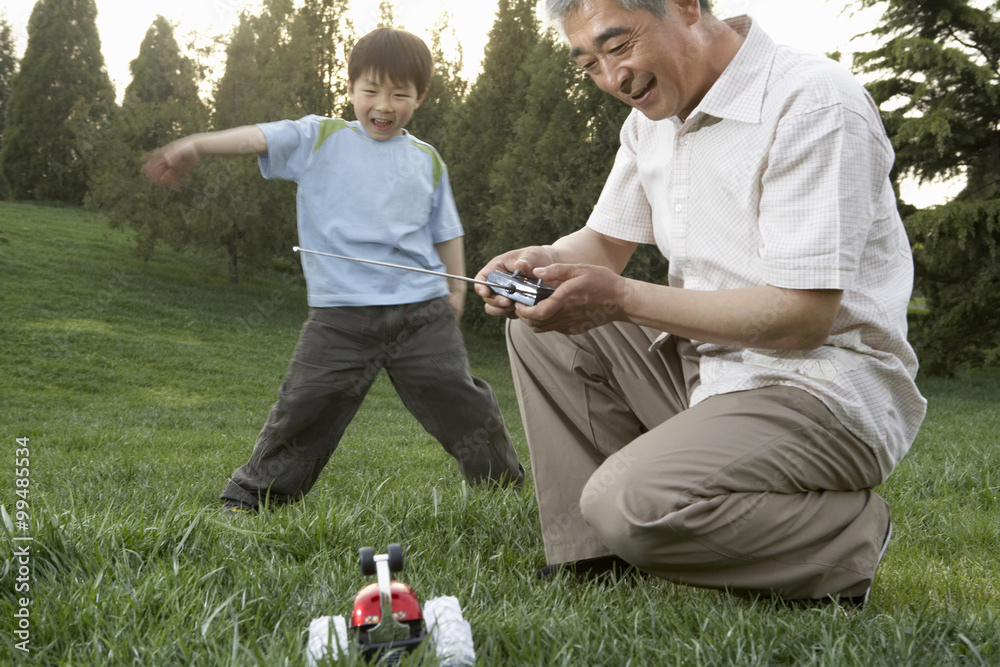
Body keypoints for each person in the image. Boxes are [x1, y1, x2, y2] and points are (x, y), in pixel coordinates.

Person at [474, 0, 926, 606]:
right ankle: (594, 556)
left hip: (822, 388)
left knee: (628, 504)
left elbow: (802, 317)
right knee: (543, 324)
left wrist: (624, 299)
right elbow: (602, 244)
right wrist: (537, 263)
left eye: (619, 47)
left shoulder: (812, 103)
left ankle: (845, 537)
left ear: (686, 7)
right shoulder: (650, 122)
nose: (612, 80)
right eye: (589, 64)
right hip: (710, 374)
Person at [144, 27, 524, 515]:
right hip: (341, 316)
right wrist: (196, 144)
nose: (383, 105)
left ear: (420, 97)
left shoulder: (426, 159)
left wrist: (454, 292)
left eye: (399, 94)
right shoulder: (317, 138)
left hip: (422, 313)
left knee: (462, 403)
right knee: (307, 404)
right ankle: (254, 498)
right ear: (349, 90)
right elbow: (256, 137)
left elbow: (446, 231)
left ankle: (502, 490)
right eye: (370, 90)